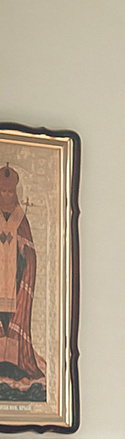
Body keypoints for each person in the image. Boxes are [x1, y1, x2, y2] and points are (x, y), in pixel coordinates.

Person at [0, 164, 43, 390]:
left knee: (12, 319)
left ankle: (14, 365)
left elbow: (31, 254)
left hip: (14, 280)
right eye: (2, 191)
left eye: (9, 192)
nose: (6, 195)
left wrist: (22, 250)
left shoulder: (20, 218)